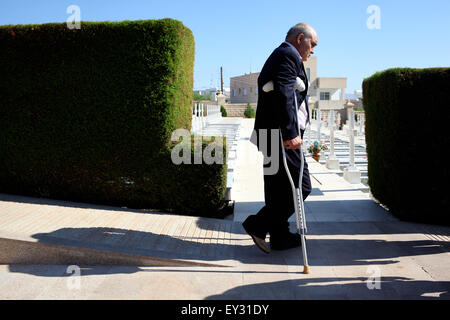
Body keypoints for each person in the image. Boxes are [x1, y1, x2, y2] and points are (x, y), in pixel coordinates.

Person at [244, 22, 318, 253]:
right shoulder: (288, 55)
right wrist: (290, 134)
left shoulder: (281, 54)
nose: (313, 50)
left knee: (278, 189)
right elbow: (284, 92)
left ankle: (280, 236)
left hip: (271, 134)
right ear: (300, 38)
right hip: (281, 136)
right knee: (301, 186)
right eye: (312, 44)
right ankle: (258, 225)